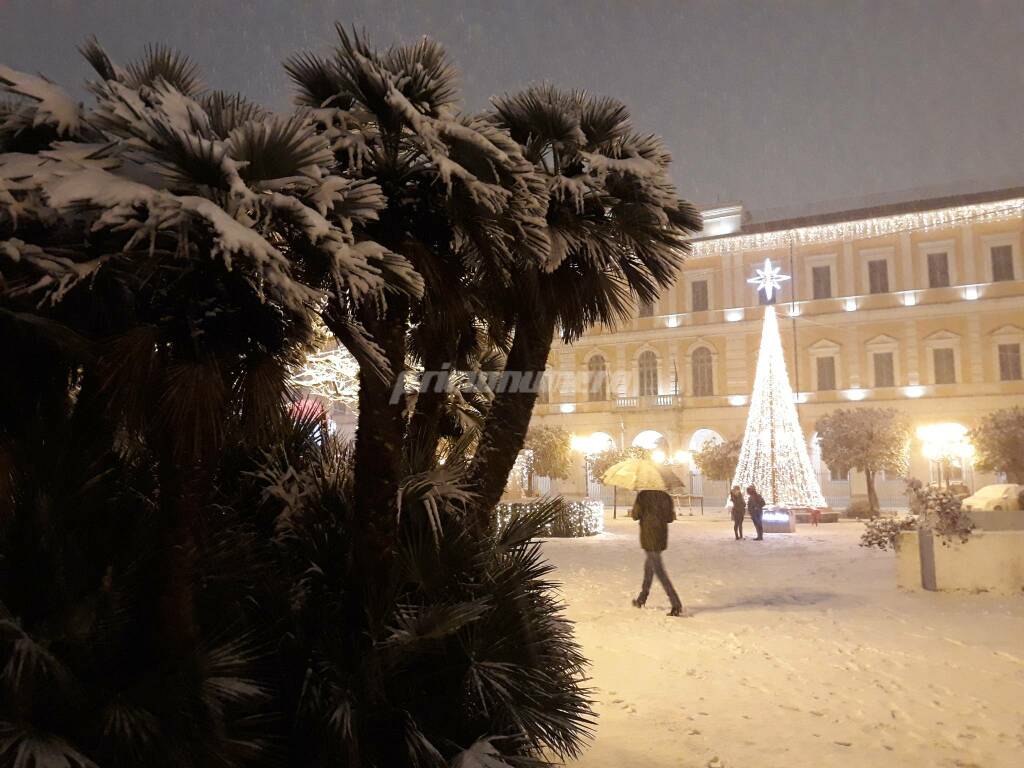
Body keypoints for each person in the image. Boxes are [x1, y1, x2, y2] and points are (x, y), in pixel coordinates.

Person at [630, 489, 687, 616]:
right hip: (660, 536)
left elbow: (635, 515)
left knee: (660, 572)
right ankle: (642, 599)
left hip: (648, 536)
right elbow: (670, 518)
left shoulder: (642, 495)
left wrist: (638, 509)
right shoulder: (665, 496)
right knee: (649, 569)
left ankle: (676, 604)